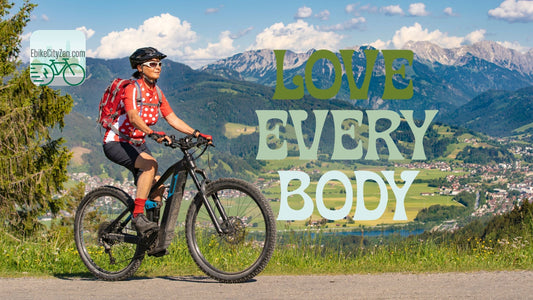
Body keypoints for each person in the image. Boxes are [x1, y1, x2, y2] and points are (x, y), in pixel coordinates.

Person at [102, 47, 212, 236]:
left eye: (160, 64)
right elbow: (133, 116)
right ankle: (137, 217)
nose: (158, 67)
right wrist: (152, 133)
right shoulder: (131, 89)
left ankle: (151, 237)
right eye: (153, 64)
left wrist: (197, 133)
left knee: (158, 187)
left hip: (137, 143)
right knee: (150, 165)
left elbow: (172, 118)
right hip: (117, 142)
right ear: (140, 67)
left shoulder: (157, 93)